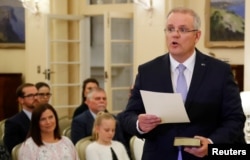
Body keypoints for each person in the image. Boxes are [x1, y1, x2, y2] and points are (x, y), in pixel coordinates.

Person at [118, 7, 246, 160]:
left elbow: (235, 119)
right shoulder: (148, 71)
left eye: (183, 30)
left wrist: (212, 143)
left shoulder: (219, 71)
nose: (175, 34)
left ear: (197, 36)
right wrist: (139, 124)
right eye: (170, 29)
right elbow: (128, 116)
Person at [4, 83, 39, 153]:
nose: (35, 98)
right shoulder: (13, 123)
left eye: (37, 94)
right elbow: (15, 151)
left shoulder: (46, 118)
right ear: (21, 100)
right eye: (30, 95)